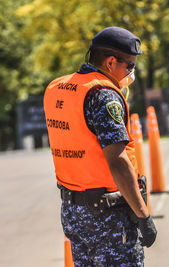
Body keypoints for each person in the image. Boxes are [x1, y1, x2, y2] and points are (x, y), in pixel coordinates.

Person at [43, 26, 156, 266]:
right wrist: (143, 214)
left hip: (74, 212)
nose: (131, 72)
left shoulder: (57, 88)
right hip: (108, 216)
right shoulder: (103, 94)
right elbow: (117, 159)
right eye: (130, 66)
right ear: (111, 62)